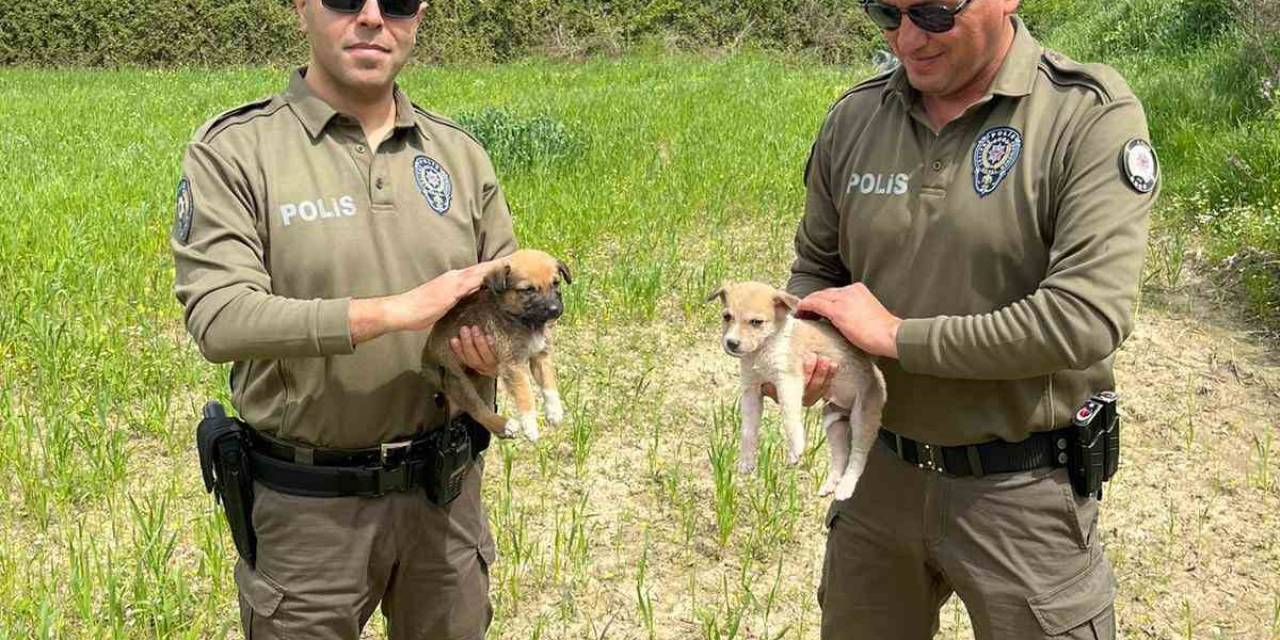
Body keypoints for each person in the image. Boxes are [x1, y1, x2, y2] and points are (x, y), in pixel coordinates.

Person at [786, 0, 1159, 637]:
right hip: (879, 478)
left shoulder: (1084, 114)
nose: (907, 39)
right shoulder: (856, 117)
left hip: (1023, 491)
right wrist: (803, 351)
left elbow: (1085, 316)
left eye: (932, 13)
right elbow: (817, 271)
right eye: (886, 11)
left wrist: (899, 339)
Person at [171, 0, 515, 637]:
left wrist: (494, 348)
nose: (372, 18)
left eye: (400, 3)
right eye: (343, 0)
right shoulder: (238, 151)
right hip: (309, 511)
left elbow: (507, 293)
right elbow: (219, 317)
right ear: (300, 8)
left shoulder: (461, 156)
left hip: (446, 498)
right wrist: (392, 313)